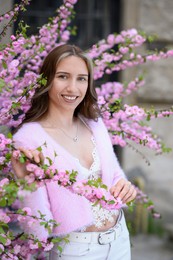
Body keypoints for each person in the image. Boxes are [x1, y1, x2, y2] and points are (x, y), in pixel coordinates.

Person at [12, 44, 137, 260]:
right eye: (63, 76)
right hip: (75, 250)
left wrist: (125, 187)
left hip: (119, 240)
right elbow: (37, 233)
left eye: (81, 78)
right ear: (47, 80)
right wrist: (27, 184)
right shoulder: (28, 138)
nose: (72, 88)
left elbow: (115, 177)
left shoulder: (94, 125)